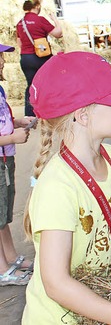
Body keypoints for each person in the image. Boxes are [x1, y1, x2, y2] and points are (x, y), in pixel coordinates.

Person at [21, 51, 111, 324]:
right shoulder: (57, 187)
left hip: (103, 302)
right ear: (83, 115)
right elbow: (57, 283)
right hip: (60, 318)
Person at [0, 43, 36, 286]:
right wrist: (12, 138)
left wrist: (19, 121)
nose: (3, 62)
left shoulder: (0, 90)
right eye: (0, 58)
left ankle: (10, 257)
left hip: (6, 159)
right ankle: (2, 270)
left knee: (4, 212)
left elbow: (4, 118)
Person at [15, 0, 63, 117]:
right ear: (36, 7)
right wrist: (55, 20)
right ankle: (52, 111)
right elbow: (58, 34)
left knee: (31, 85)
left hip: (26, 58)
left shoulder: (20, 23)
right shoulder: (40, 19)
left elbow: (19, 43)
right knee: (50, 83)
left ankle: (29, 115)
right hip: (41, 57)